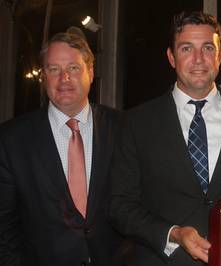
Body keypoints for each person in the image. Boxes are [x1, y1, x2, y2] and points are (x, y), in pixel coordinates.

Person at [108, 11, 221, 266]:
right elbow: (120, 206)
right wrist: (173, 233)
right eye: (186, 49)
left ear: (220, 55)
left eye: (207, 47)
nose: (198, 59)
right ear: (171, 57)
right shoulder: (136, 123)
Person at [0, 31, 132, 265]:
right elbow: (4, 228)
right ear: (43, 78)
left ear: (90, 73)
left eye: (73, 68)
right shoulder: (11, 140)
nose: (64, 79)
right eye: (53, 69)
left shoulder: (124, 129)